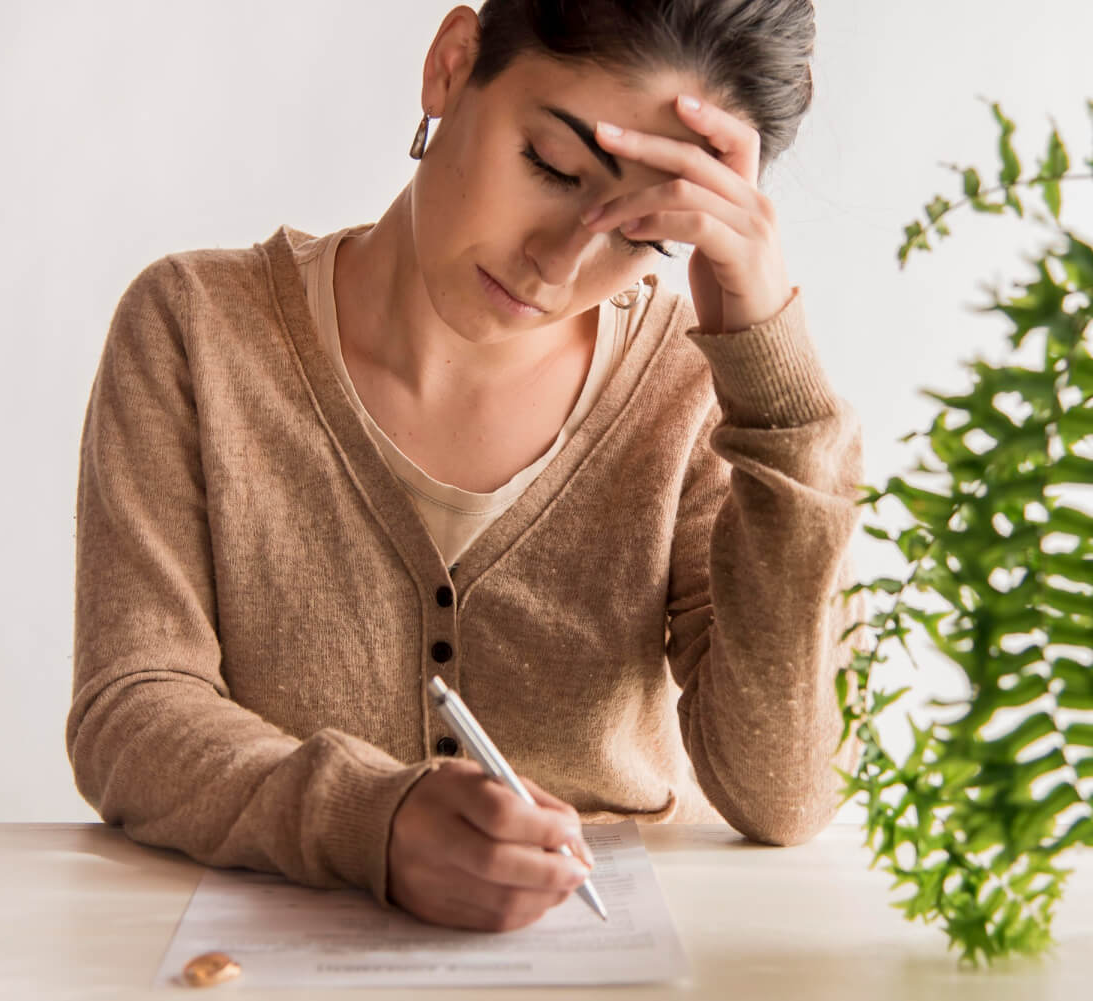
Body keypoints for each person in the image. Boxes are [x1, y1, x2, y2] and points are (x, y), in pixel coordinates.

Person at [68, 0, 863, 934]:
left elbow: (786, 793)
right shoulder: (196, 328)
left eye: (646, 234)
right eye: (553, 168)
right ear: (452, 63)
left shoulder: (688, 386)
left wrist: (776, 382)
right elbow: (132, 709)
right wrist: (375, 822)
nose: (560, 264)